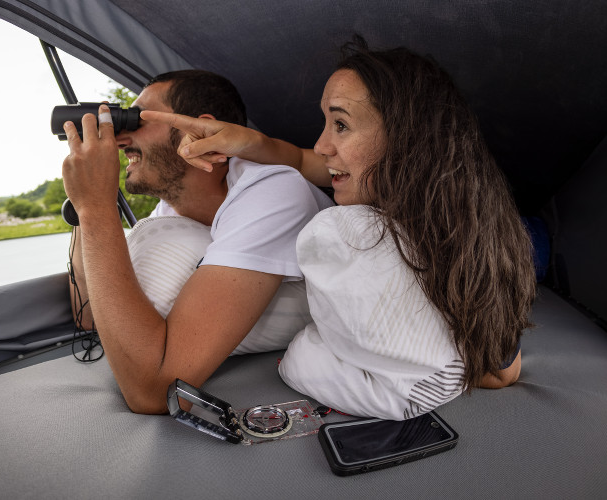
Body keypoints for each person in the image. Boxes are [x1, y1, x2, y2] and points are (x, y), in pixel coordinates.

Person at [140, 37, 536, 420]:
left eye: (341, 125)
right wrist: (244, 142)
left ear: (406, 139)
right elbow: (299, 156)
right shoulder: (359, 178)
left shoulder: (464, 232)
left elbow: (503, 372)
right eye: (325, 123)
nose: (324, 144)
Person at [61, 70, 333, 414]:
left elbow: (155, 394)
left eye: (135, 121)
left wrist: (96, 207)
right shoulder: (166, 218)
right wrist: (85, 207)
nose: (120, 139)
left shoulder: (273, 190)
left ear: (197, 130)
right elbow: (88, 316)